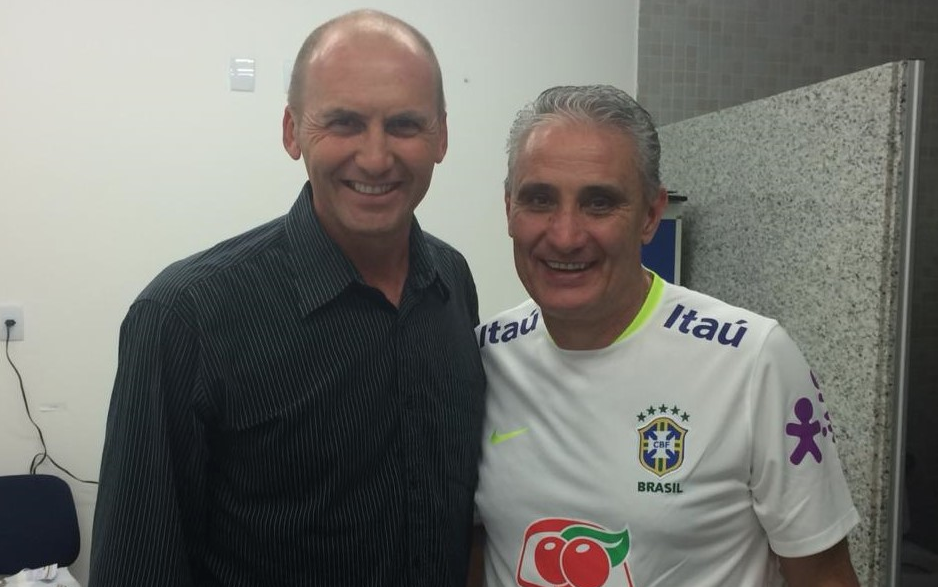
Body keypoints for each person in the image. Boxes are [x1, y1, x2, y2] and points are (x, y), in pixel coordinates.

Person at [89, 10, 485, 587]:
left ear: (441, 137)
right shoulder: (184, 317)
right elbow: (137, 568)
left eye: (404, 125)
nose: (376, 157)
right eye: (344, 122)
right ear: (291, 131)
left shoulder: (452, 284)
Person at [473, 85, 860, 586]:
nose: (565, 235)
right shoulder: (483, 358)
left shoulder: (752, 361)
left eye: (599, 203)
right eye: (539, 199)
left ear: (651, 215)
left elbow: (825, 576)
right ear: (509, 209)